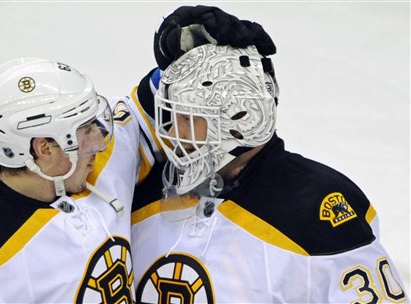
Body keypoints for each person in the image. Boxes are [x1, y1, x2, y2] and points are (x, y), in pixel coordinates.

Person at [131, 5, 409, 303]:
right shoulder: (144, 186)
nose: (174, 132)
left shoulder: (317, 212)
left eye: (187, 117)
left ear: (237, 120)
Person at [0, 57, 160, 303]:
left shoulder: (89, 165)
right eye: (85, 131)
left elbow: (156, 111)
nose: (99, 143)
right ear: (44, 149)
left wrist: (175, 52)